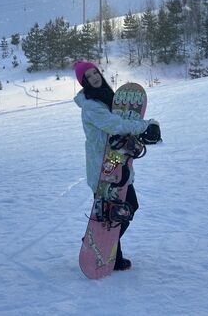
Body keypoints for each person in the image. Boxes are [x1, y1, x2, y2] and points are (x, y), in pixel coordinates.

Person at [73, 60, 159, 271]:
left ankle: (109, 252)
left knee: (122, 209)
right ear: (84, 82)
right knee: (119, 209)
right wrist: (145, 125)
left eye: (95, 73)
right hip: (102, 169)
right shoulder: (91, 106)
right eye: (88, 76)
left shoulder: (108, 98)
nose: (94, 78)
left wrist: (144, 134)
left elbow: (123, 122)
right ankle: (100, 246)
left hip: (116, 164)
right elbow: (116, 125)